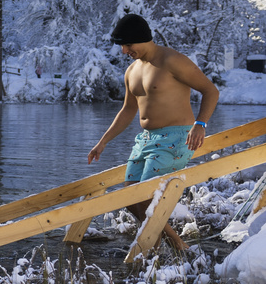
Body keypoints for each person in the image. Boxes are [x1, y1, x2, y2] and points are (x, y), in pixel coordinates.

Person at [87, 13, 219, 250]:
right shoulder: (132, 71)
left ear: (142, 39)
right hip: (145, 140)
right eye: (122, 46)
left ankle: (162, 249)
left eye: (128, 45)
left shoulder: (173, 61)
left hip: (176, 136)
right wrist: (103, 141)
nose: (124, 51)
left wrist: (201, 124)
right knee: (130, 197)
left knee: (147, 195)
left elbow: (210, 91)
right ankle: (170, 248)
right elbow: (127, 110)